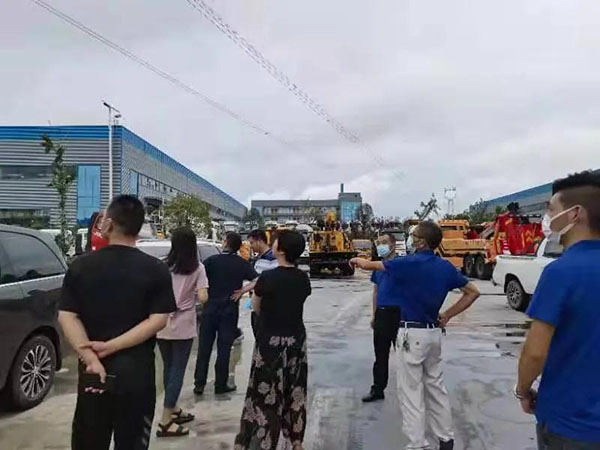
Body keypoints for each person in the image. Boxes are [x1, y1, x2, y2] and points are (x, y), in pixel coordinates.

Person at [58, 195, 176, 450]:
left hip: (93, 375)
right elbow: (159, 320)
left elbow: (67, 315)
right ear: (139, 228)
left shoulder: (81, 266)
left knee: (89, 442)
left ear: (109, 224)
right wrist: (113, 346)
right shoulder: (155, 269)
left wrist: (90, 356)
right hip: (137, 376)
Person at [350, 221, 480, 450]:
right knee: (435, 387)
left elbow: (369, 265)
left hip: (411, 333)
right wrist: (447, 315)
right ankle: (445, 438)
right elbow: (473, 292)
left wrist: (356, 260)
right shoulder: (445, 267)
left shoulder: (407, 263)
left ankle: (417, 443)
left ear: (421, 242)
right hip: (433, 334)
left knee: (410, 392)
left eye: (414, 236)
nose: (411, 239)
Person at [516, 171, 600, 450]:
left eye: (551, 210)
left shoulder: (561, 273)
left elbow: (535, 352)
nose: (547, 219)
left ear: (575, 214)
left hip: (572, 424)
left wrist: (523, 389)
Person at [234, 230, 311, 450]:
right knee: (295, 391)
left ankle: (263, 441)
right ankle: (296, 441)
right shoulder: (302, 278)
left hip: (270, 343)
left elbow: (256, 307)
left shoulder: (267, 278)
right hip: (296, 341)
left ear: (281, 250)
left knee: (264, 394)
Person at [156, 227, 209, 438]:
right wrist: (194, 297)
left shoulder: (162, 266)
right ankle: (165, 420)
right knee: (177, 370)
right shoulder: (197, 268)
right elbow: (203, 297)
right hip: (184, 324)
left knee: (168, 368)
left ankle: (174, 408)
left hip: (161, 323)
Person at [194, 232, 258, 395]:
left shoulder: (211, 261)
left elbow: (199, 279)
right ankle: (220, 384)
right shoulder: (241, 263)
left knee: (204, 347)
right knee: (224, 348)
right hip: (229, 310)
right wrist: (242, 291)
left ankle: (199, 384)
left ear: (226, 243)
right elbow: (257, 280)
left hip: (209, 310)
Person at [362, 233, 403, 403]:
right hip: (382, 314)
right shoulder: (378, 268)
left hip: (399, 314)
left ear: (393, 245)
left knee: (404, 355)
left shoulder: (402, 265)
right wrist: (374, 314)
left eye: (384, 242)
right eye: (378, 243)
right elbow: (376, 291)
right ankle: (378, 389)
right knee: (380, 355)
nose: (381, 246)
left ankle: (408, 390)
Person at [246, 229, 278, 335]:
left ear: (259, 241)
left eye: (252, 243)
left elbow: (266, 282)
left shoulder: (272, 258)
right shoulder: (258, 259)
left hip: (267, 308)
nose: (251, 246)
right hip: (256, 307)